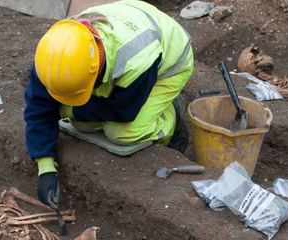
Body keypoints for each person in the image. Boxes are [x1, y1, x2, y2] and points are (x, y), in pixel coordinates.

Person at [24, 0, 194, 209]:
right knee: (80, 124)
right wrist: (46, 167)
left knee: (123, 133)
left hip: (168, 65)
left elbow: (123, 111)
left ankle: (171, 117)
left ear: (95, 72)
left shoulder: (135, 60)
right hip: (132, 28)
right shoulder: (54, 57)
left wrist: (70, 110)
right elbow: (38, 109)